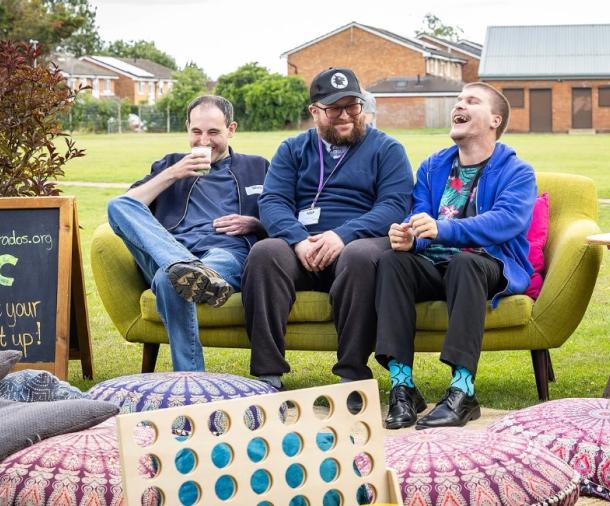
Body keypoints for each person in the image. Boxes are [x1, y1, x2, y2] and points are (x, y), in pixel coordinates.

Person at [375, 82, 537, 429]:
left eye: (471, 101)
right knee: (392, 261)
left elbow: (507, 221)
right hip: (436, 265)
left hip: (489, 265)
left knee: (465, 263)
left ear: (495, 120)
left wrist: (443, 229)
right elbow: (419, 216)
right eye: (458, 100)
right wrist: (409, 236)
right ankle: (402, 388)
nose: (458, 106)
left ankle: (463, 392)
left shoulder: (516, 171)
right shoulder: (433, 166)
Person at [241, 67, 413, 391]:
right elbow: (273, 201)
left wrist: (343, 235)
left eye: (353, 106)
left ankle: (352, 378)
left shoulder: (387, 149)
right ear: (314, 111)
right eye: (335, 108)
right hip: (303, 246)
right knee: (265, 252)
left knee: (359, 257)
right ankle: (268, 376)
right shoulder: (292, 149)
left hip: (358, 243)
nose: (346, 115)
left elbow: (394, 205)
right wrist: (297, 240)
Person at [107, 95, 268, 372]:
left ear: (231, 129)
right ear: (187, 129)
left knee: (170, 280)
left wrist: (255, 223)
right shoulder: (170, 164)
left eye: (214, 132)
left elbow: (286, 214)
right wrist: (173, 174)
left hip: (224, 255)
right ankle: (181, 263)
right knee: (117, 205)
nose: (204, 141)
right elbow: (128, 206)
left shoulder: (257, 167)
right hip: (167, 249)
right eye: (196, 132)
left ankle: (191, 379)